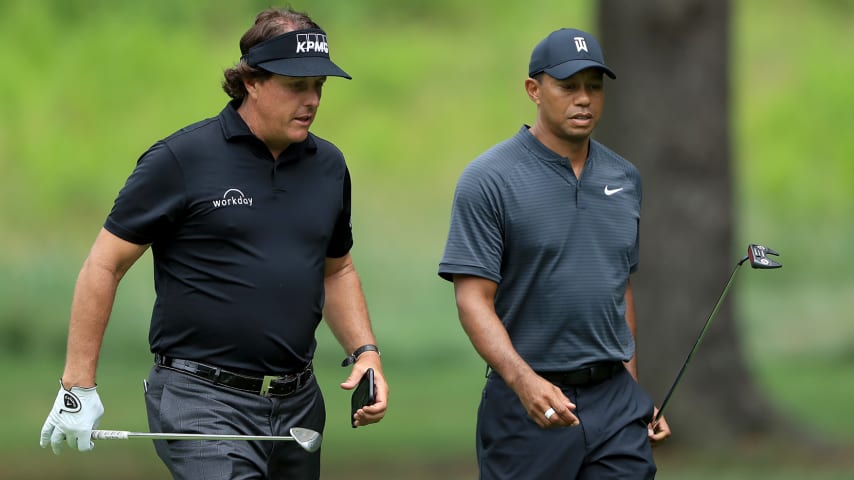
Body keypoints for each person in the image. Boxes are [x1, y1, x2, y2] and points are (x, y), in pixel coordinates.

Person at [39, 7, 387, 479]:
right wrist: (77, 384)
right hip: (199, 400)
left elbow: (337, 269)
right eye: (295, 86)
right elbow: (105, 265)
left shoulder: (328, 166)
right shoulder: (181, 159)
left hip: (298, 405)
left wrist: (366, 353)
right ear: (252, 81)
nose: (311, 101)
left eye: (318, 86)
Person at [438, 27, 671, 479]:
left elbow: (617, 289)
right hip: (527, 404)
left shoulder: (625, 178)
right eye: (568, 87)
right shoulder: (489, 179)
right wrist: (524, 382)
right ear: (534, 90)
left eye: (594, 87)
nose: (583, 99)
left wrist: (633, 393)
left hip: (615, 406)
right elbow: (472, 299)